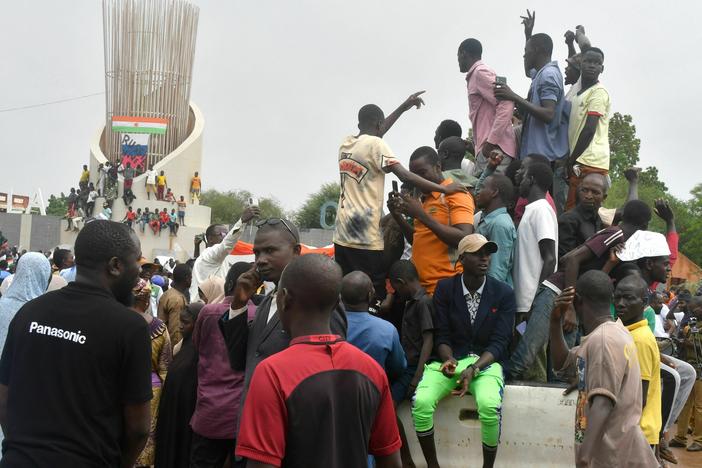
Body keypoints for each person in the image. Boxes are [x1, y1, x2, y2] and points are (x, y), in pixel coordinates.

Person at [0, 221, 152, 467]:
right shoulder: (129, 328)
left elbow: (3, 400)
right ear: (115, 266)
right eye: (136, 261)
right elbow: (139, 429)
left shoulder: (30, 312)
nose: (140, 272)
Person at [235, 254, 402, 467]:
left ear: (284, 298)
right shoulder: (372, 369)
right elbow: (390, 460)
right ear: (336, 302)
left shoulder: (272, 372)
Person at [220, 219, 348, 435]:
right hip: (251, 430)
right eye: (257, 252)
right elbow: (240, 361)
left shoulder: (319, 302)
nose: (260, 260)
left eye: (270, 251)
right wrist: (239, 305)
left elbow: (328, 379)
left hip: (293, 437)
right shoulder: (266, 301)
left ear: (296, 251)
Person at [333, 94, 465, 300]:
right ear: (378, 124)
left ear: (360, 123)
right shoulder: (377, 146)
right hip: (365, 237)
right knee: (371, 293)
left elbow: (376, 132)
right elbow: (404, 175)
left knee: (345, 292)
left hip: (342, 234)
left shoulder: (346, 144)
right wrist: (444, 190)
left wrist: (403, 108)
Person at [412, 234, 515, 468]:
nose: (485, 258)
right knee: (421, 403)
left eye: (487, 253)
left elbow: (500, 342)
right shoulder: (446, 288)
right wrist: (448, 359)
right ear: (462, 258)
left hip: (486, 363)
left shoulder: (503, 293)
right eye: (478, 254)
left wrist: (473, 368)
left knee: (489, 406)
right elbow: (442, 334)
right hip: (452, 359)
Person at [548, 271, 658, 467]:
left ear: (577, 301)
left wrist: (584, 458)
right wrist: (555, 321)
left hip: (612, 457)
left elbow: (603, 401)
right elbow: (562, 362)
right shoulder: (608, 334)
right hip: (611, 454)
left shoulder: (604, 340)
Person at [495, 33, 569, 213]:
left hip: (543, 157)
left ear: (537, 51)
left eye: (526, 51)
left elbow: (549, 113)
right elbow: (529, 71)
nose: (524, 56)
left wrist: (513, 96)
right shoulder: (540, 74)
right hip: (534, 153)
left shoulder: (549, 75)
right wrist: (528, 34)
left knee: (537, 208)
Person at [388, 146, 474, 294]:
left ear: (438, 167)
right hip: (420, 291)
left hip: (445, 291)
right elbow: (419, 240)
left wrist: (421, 215)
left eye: (422, 173)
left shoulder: (456, 194)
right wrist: (397, 216)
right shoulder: (424, 199)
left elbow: (464, 239)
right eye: (413, 176)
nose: (418, 180)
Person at [190, 263, 250, 468]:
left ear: (230, 283)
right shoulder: (259, 314)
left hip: (209, 412)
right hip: (240, 417)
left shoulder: (208, 312)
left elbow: (197, 346)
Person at [387, 260, 435, 468]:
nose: (396, 292)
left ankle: (406, 461)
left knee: (386, 408)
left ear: (401, 282)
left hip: (414, 368)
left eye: (396, 288)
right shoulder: (410, 301)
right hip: (406, 366)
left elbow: (429, 340)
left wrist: (416, 377)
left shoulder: (424, 302)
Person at [614, 276, 662, 451]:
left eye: (628, 298)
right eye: (617, 297)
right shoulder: (627, 333)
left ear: (644, 302)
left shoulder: (640, 340)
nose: (620, 303)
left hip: (637, 432)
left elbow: (637, 398)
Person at [457, 38, 517, 175]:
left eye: (458, 56)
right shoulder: (476, 74)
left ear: (463, 53)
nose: (458, 61)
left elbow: (507, 102)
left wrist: (491, 142)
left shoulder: (480, 73)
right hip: (488, 150)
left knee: (492, 194)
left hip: (494, 150)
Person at [154, 302, 203, 468]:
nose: (180, 326)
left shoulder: (198, 353)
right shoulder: (183, 348)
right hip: (173, 415)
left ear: (198, 325)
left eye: (186, 323)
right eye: (180, 321)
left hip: (183, 419)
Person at [131, 277, 172, 467]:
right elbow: (165, 366)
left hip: (119, 385)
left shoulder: (115, 323)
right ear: (147, 301)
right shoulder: (159, 327)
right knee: (147, 434)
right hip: (152, 390)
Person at [565, 48, 610, 211]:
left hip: (590, 160)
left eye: (597, 63)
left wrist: (571, 160)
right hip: (581, 158)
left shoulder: (598, 93)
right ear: (581, 64)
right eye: (588, 61)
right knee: (573, 210)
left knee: (575, 211)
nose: (592, 66)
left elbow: (590, 129)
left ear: (602, 69)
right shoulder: (579, 93)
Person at [341, 271, 406, 380]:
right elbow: (399, 367)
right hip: (373, 390)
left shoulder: (328, 325)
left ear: (340, 295)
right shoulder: (388, 330)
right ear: (370, 295)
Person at [512, 162, 557, 316]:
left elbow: (550, 259)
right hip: (525, 303)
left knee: (527, 340)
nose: (520, 182)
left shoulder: (541, 210)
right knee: (520, 337)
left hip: (531, 304)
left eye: (523, 177)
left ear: (531, 179)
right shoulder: (532, 210)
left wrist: (537, 301)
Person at [188, 206, 259, 302]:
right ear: (210, 238)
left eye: (227, 234)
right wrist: (242, 222)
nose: (225, 237)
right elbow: (226, 244)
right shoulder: (209, 254)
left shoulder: (213, 257)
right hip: (207, 308)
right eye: (222, 234)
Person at [671, 295, 702, 452]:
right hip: (691, 368)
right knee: (684, 403)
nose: (693, 311)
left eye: (696, 308)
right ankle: (680, 437)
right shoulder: (691, 325)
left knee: (699, 407)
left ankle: (699, 440)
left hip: (700, 370)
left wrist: (688, 342)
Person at [474, 173, 517, 284]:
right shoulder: (489, 219)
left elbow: (497, 272)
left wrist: (487, 298)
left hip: (492, 295)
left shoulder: (500, 224)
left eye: (483, 187)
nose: (478, 191)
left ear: (494, 192)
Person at [557, 173, 607, 257]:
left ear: (604, 197)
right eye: (584, 190)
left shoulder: (601, 219)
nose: (588, 196)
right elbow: (565, 259)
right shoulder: (568, 220)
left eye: (595, 192)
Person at [158, 263, 191, 348]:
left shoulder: (167, 294)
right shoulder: (177, 300)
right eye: (191, 277)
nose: (191, 279)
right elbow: (175, 333)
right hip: (170, 349)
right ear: (187, 279)